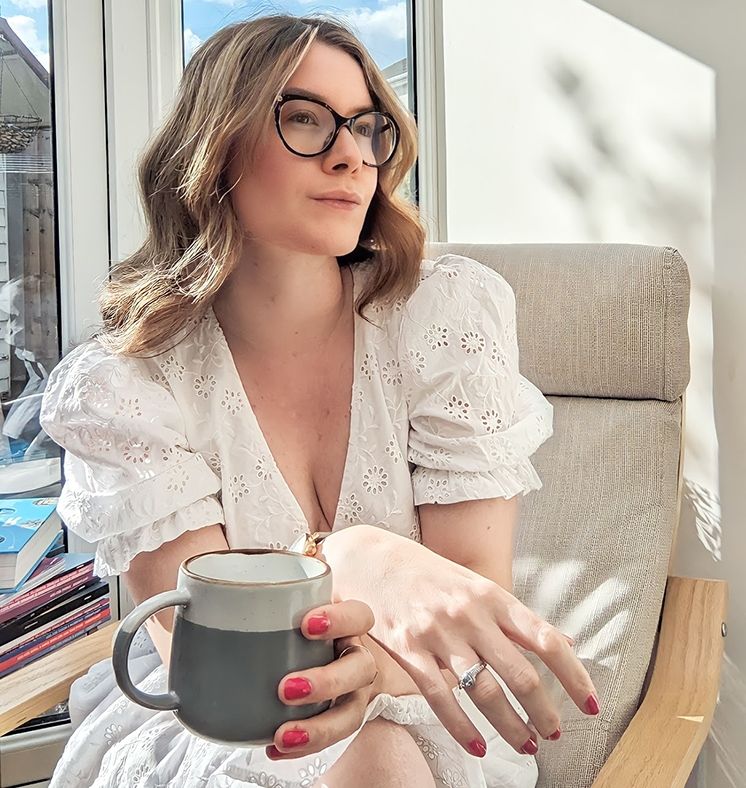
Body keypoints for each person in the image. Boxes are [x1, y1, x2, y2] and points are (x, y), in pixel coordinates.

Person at [39, 13, 600, 788]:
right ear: (215, 144)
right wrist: (350, 555)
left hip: (421, 702)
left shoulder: (444, 318)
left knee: (381, 751)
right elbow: (215, 661)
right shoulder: (123, 388)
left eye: (368, 128)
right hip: (219, 729)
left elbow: (471, 591)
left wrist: (374, 667)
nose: (350, 154)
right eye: (305, 119)